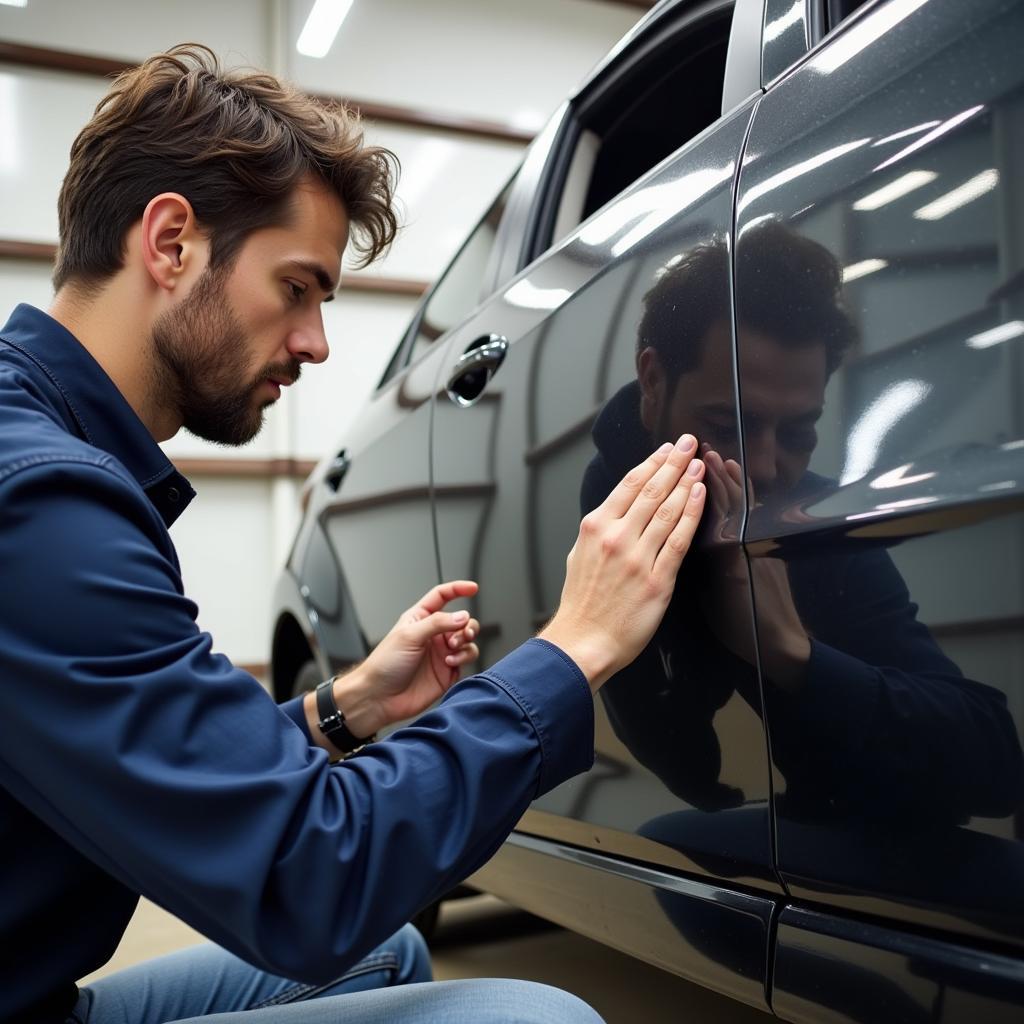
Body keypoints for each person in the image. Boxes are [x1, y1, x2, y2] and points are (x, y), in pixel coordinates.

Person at [0, 45, 709, 1024]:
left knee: (389, 952)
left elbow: (149, 773)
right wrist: (572, 648)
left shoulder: (38, 454)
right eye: (297, 287)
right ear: (170, 242)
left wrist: (345, 708)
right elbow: (306, 878)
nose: (316, 344)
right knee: (543, 1019)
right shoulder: (40, 509)